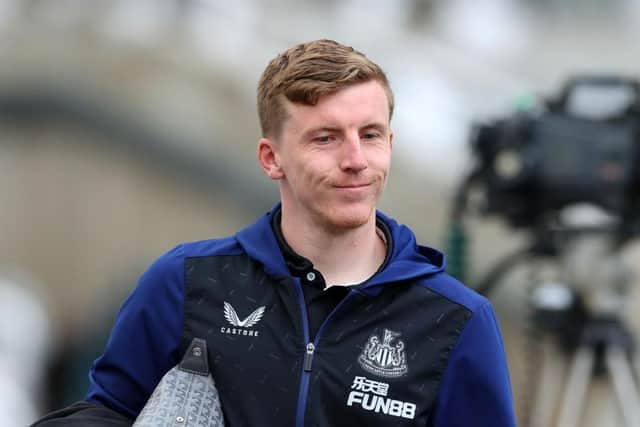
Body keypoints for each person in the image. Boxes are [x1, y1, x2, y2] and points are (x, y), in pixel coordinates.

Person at [33, 39, 516, 426]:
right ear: (271, 158)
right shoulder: (185, 281)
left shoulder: (457, 321)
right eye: (325, 138)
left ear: (389, 143)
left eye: (370, 135)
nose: (355, 160)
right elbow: (111, 410)